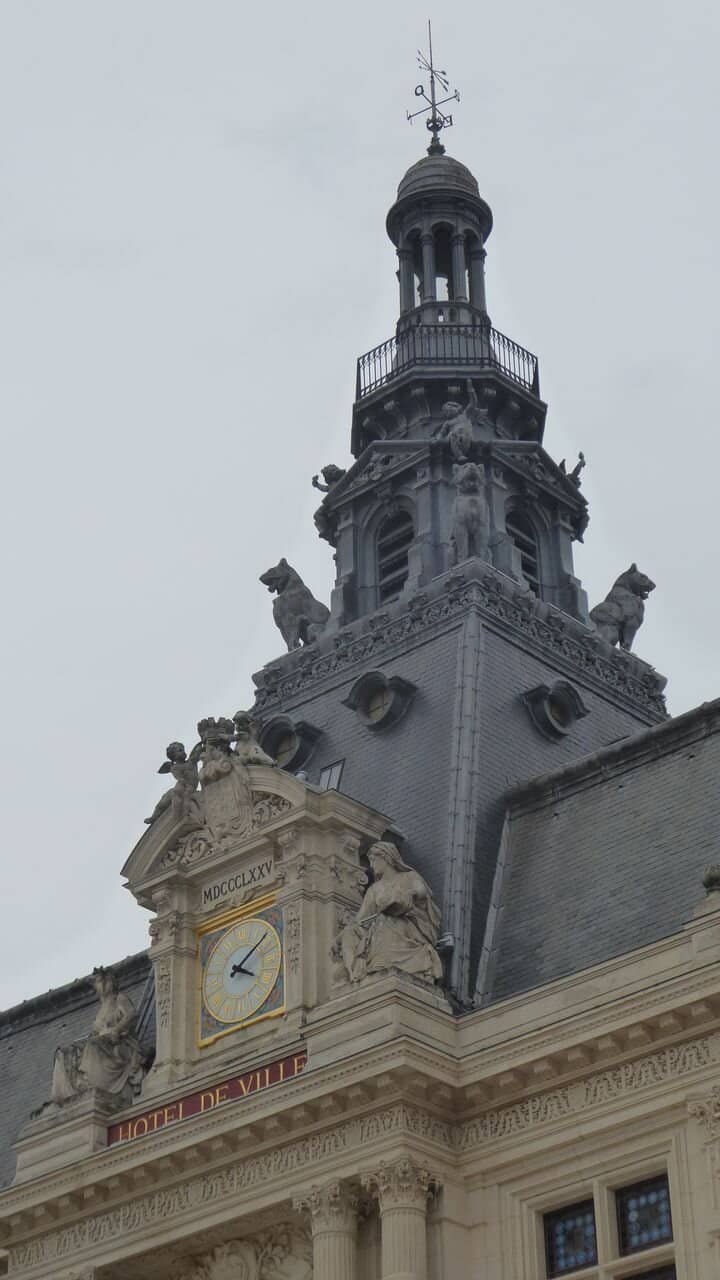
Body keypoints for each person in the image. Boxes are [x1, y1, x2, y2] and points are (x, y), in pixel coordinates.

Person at [340, 841, 443, 984]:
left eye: (374, 860)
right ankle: (357, 976)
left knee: (384, 920)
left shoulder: (409, 876)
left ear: (386, 858)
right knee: (349, 932)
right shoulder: (374, 889)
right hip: (380, 926)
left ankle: (381, 962)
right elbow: (361, 919)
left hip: (408, 924)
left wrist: (409, 894)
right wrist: (345, 932)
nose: (372, 865)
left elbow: (422, 891)